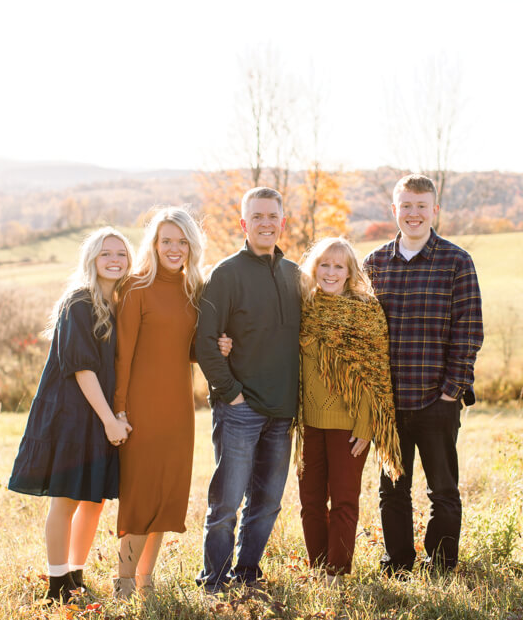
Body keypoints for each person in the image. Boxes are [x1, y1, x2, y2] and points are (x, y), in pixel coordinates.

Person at [363, 174, 483, 576]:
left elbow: (469, 333)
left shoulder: (456, 261)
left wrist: (451, 393)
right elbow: (360, 333)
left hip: (438, 401)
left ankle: (442, 565)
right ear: (394, 211)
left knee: (443, 492)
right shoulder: (374, 263)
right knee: (392, 492)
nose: (413, 214)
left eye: (421, 206)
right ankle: (397, 563)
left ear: (434, 210)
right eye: (406, 206)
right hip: (389, 405)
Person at [8, 227, 135, 603]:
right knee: (65, 500)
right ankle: (56, 582)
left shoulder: (121, 303)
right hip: (71, 413)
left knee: (93, 500)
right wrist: (110, 420)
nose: (114, 260)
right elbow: (83, 369)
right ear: (92, 260)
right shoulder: (79, 302)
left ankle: (76, 574)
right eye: (105, 254)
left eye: (121, 254)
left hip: (101, 414)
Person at [194, 186, 301, 593]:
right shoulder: (226, 274)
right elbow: (206, 341)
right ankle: (214, 580)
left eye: (272, 216)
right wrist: (231, 391)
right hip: (239, 408)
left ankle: (248, 572)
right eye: (256, 216)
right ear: (244, 223)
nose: (265, 223)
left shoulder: (294, 274)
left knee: (268, 502)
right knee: (226, 503)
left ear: (281, 222)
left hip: (282, 411)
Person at [112, 208, 218, 598]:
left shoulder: (195, 290)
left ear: (192, 245)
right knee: (141, 496)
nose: (174, 248)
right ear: (154, 245)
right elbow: (123, 355)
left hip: (178, 408)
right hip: (140, 407)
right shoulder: (136, 287)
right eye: (166, 241)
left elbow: (184, 349)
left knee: (166, 496)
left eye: (182, 241)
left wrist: (215, 346)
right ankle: (122, 582)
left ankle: (145, 581)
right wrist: (119, 410)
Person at [295, 236, 404, 583]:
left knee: (344, 501)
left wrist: (366, 425)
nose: (330, 272)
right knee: (311, 503)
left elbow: (375, 373)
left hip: (349, 426)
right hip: (308, 423)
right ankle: (319, 568)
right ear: (314, 269)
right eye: (324, 265)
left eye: (338, 266)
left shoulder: (365, 311)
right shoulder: (303, 307)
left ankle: (337, 573)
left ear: (349, 271)